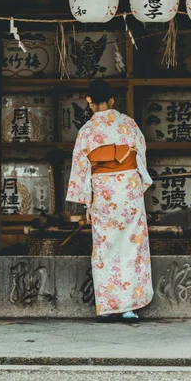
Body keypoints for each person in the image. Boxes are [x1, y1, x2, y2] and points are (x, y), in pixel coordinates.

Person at [66, 79, 153, 321]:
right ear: (113, 100)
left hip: (103, 192)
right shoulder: (129, 125)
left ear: (89, 101)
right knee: (132, 246)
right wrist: (137, 185)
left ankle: (107, 307)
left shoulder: (87, 131)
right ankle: (129, 307)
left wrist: (86, 200)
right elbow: (140, 157)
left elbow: (81, 168)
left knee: (105, 248)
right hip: (128, 190)